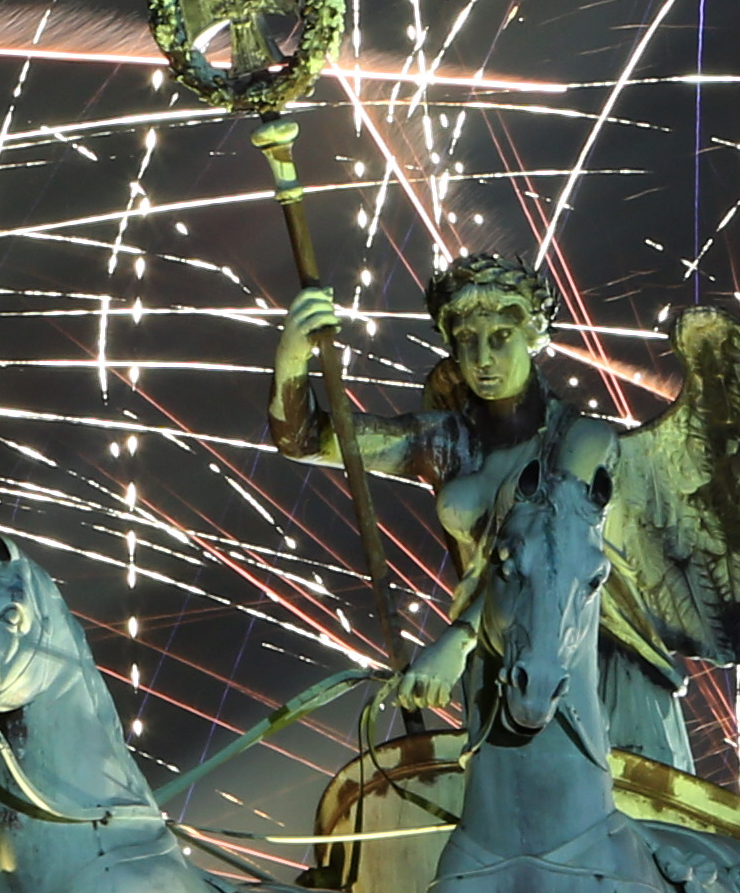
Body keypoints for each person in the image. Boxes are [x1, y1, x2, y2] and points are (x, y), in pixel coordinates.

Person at [273, 256, 692, 770]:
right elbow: (306, 440)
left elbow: (551, 559)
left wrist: (456, 640)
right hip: (496, 666)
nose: (482, 358)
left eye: (500, 337)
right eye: (467, 340)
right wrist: (293, 353)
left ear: (531, 336)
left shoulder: (583, 441)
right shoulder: (449, 441)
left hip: (595, 664)